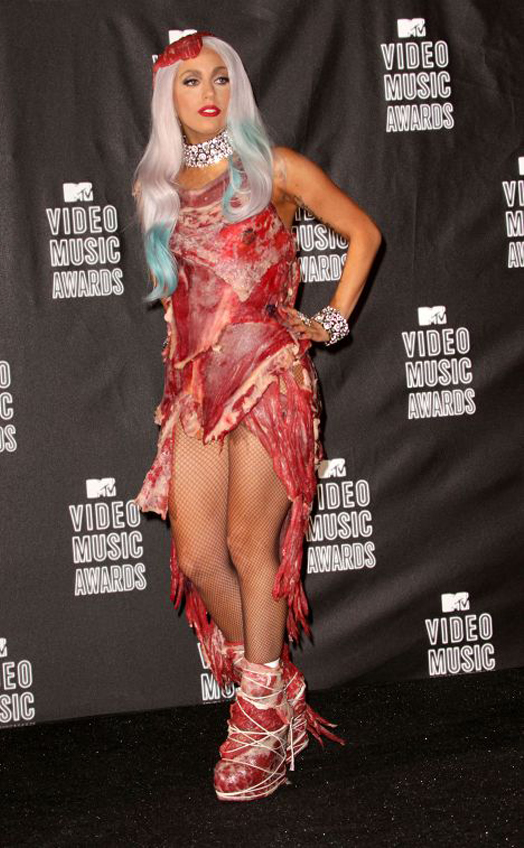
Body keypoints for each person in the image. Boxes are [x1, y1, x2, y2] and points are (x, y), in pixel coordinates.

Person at [132, 31, 381, 802]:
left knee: (249, 542)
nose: (208, 92)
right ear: (168, 99)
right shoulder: (160, 190)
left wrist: (329, 321)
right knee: (199, 556)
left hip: (270, 378)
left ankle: (259, 725)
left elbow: (364, 233)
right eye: (189, 81)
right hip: (198, 393)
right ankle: (275, 693)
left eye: (220, 77)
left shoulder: (275, 168)